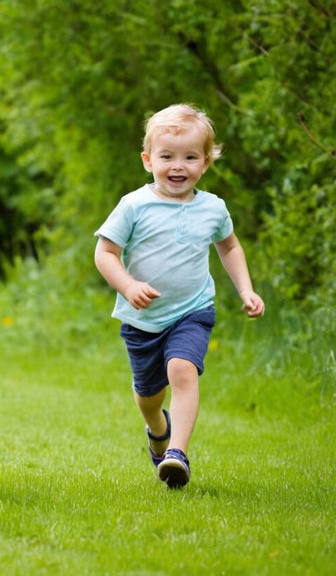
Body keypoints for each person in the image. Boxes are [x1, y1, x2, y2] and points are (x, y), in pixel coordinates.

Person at [93, 103, 265, 488]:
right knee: (149, 397)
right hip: (143, 321)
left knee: (182, 371)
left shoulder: (213, 208)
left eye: (190, 157)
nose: (178, 166)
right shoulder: (134, 205)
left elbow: (230, 247)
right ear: (147, 159)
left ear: (205, 162)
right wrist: (129, 286)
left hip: (192, 311)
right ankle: (158, 430)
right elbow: (105, 253)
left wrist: (246, 289)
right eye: (167, 156)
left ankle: (177, 453)